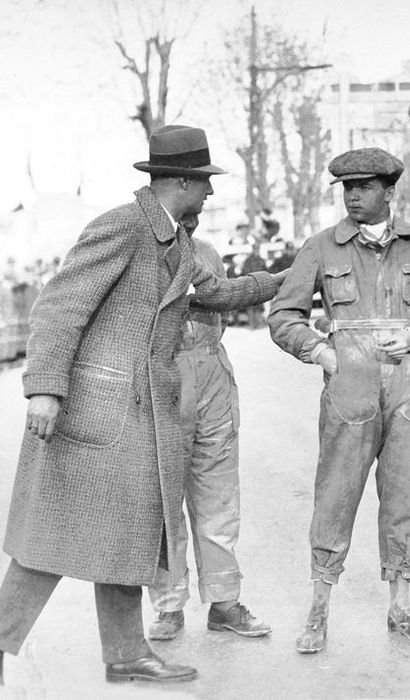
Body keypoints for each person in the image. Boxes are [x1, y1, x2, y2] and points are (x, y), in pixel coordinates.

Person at [0, 124, 282, 685]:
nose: (210, 195)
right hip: (95, 412)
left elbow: (217, 295)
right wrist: (46, 389)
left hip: (140, 415)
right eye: (204, 185)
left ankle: (127, 654)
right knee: (48, 544)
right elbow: (59, 305)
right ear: (181, 181)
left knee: (128, 533)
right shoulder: (124, 226)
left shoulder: (173, 238)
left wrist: (282, 279)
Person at [267, 147, 410, 655]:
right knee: (336, 493)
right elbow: (284, 315)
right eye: (347, 188)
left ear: (389, 192)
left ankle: (401, 605)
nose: (353, 196)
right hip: (350, 386)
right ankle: (319, 608)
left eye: (364, 187)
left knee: (407, 497)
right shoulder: (322, 247)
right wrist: (321, 352)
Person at [145, 212, 271, 643]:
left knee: (218, 492)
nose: (192, 217)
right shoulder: (142, 252)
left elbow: (224, 299)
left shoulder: (208, 253)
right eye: (185, 210)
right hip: (164, 375)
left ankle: (224, 602)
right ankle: (168, 605)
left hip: (213, 372)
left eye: (198, 210)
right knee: (163, 500)